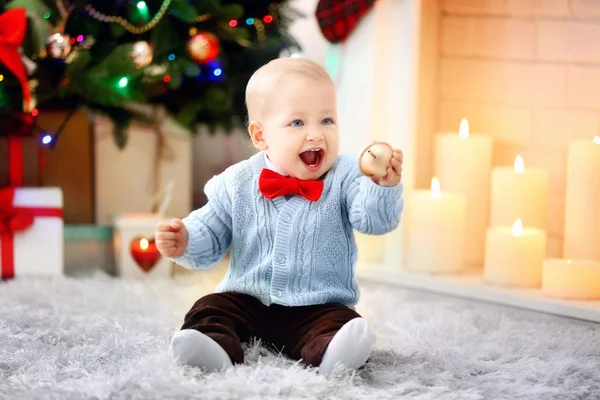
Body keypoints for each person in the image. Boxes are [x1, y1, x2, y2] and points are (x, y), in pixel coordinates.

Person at [155, 57, 404, 374]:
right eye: (298, 123)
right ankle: (211, 345)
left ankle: (334, 350)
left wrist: (381, 186)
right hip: (248, 301)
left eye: (327, 120)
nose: (315, 135)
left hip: (318, 305)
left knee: (342, 321)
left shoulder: (347, 176)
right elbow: (212, 229)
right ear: (260, 136)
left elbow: (374, 220)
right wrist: (186, 239)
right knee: (210, 308)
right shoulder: (238, 181)